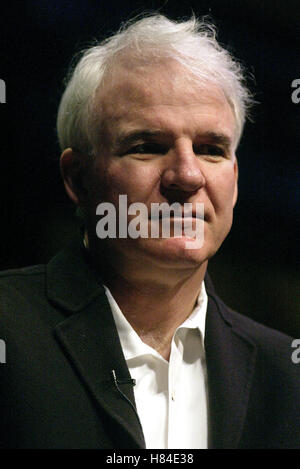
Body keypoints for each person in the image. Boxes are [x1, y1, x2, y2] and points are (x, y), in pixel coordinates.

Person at [0, 14, 299, 450]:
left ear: (234, 180)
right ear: (78, 179)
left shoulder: (288, 377)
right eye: (147, 147)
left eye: (211, 150)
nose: (187, 175)